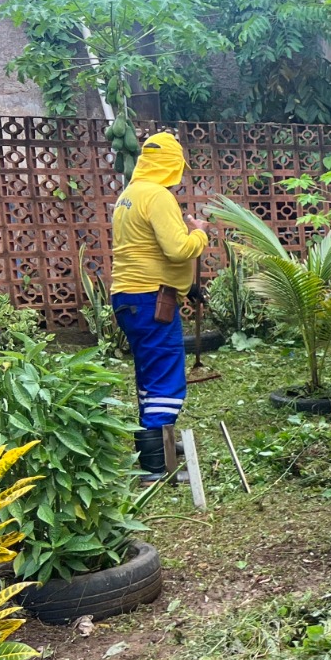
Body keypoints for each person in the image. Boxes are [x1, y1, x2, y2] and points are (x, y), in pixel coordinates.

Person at [109, 131, 208, 483]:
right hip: (152, 300)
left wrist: (188, 286)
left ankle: (158, 443)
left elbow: (145, 250)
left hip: (129, 297)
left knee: (150, 377)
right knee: (166, 380)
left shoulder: (129, 195)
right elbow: (179, 250)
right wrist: (201, 232)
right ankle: (155, 467)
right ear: (172, 166)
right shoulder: (158, 196)